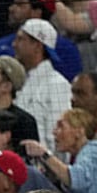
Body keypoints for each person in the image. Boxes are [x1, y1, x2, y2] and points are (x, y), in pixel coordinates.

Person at [12, 19, 71, 151]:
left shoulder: (57, 85)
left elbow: (60, 137)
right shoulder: (19, 81)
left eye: (21, 39)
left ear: (38, 46)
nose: (14, 44)